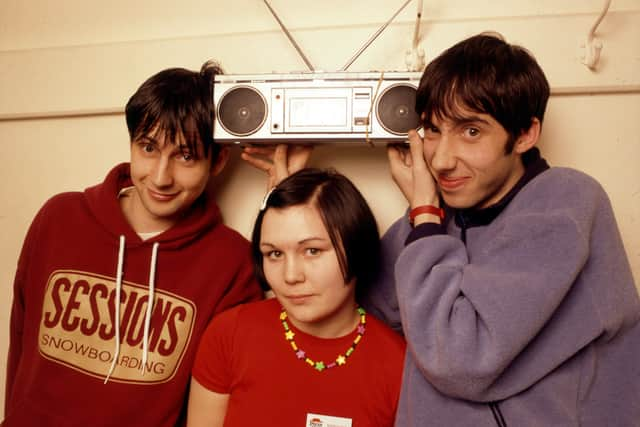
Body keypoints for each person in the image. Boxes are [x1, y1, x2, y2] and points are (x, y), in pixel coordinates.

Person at [361, 33, 640, 426]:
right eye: (432, 130)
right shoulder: (444, 215)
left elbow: (460, 358)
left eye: (470, 131)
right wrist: (281, 194)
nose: (440, 160)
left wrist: (425, 216)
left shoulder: (565, 202)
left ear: (525, 134)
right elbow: (363, 310)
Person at [3, 61, 263, 427]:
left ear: (218, 161)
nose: (161, 176)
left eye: (185, 156)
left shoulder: (230, 262)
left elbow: (241, 381)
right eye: (148, 148)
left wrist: (286, 194)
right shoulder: (59, 218)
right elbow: (19, 343)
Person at [186, 168, 406, 427]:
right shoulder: (229, 335)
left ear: (356, 247)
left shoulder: (398, 365)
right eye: (274, 254)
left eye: (312, 251)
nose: (290, 276)